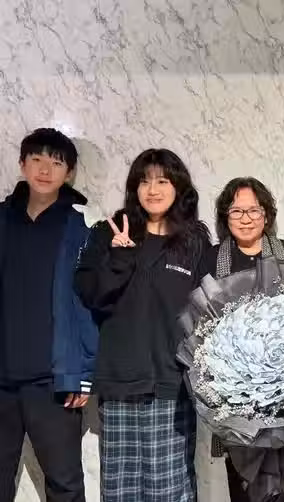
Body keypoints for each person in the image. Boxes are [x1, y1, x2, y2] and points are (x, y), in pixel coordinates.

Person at [74, 149, 211, 502]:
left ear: (178, 187)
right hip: (119, 381)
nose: (153, 189)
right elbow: (90, 294)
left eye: (162, 181)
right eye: (144, 181)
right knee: (120, 490)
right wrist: (119, 257)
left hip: (173, 384)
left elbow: (209, 310)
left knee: (171, 490)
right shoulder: (109, 232)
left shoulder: (194, 241)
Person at [0, 128, 98, 502]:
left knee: (64, 484)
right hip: (1, 379)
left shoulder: (81, 227)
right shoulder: (2, 218)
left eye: (56, 162)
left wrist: (83, 375)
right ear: (22, 164)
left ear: (69, 172)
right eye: (37, 159)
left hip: (54, 383)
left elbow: (88, 306)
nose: (45, 169)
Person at [207, 176, 284, 502]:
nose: (246, 218)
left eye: (254, 210)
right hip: (234, 390)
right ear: (226, 216)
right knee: (243, 476)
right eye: (237, 211)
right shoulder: (212, 258)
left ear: (266, 215)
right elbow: (201, 319)